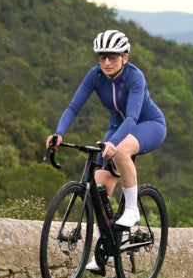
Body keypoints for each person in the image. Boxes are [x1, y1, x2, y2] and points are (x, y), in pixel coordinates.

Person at [46, 30, 165, 246]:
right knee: (99, 192)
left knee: (120, 151)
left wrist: (113, 142)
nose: (107, 62)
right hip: (117, 128)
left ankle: (131, 209)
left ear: (125, 57)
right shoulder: (95, 75)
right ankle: (104, 250)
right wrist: (59, 133)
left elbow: (131, 117)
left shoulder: (135, 77)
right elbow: (73, 107)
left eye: (112, 57)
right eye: (102, 57)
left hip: (148, 125)